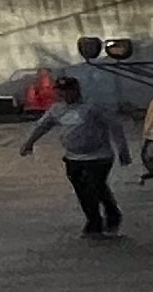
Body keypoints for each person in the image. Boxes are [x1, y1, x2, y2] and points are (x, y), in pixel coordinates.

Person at [21, 59, 132, 237]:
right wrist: (29, 143)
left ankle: (94, 222)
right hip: (73, 157)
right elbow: (42, 126)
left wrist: (123, 151)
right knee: (86, 189)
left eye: (69, 91)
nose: (66, 95)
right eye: (62, 92)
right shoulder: (57, 110)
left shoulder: (92, 108)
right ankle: (111, 212)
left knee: (93, 187)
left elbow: (115, 126)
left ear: (76, 91)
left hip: (98, 156)